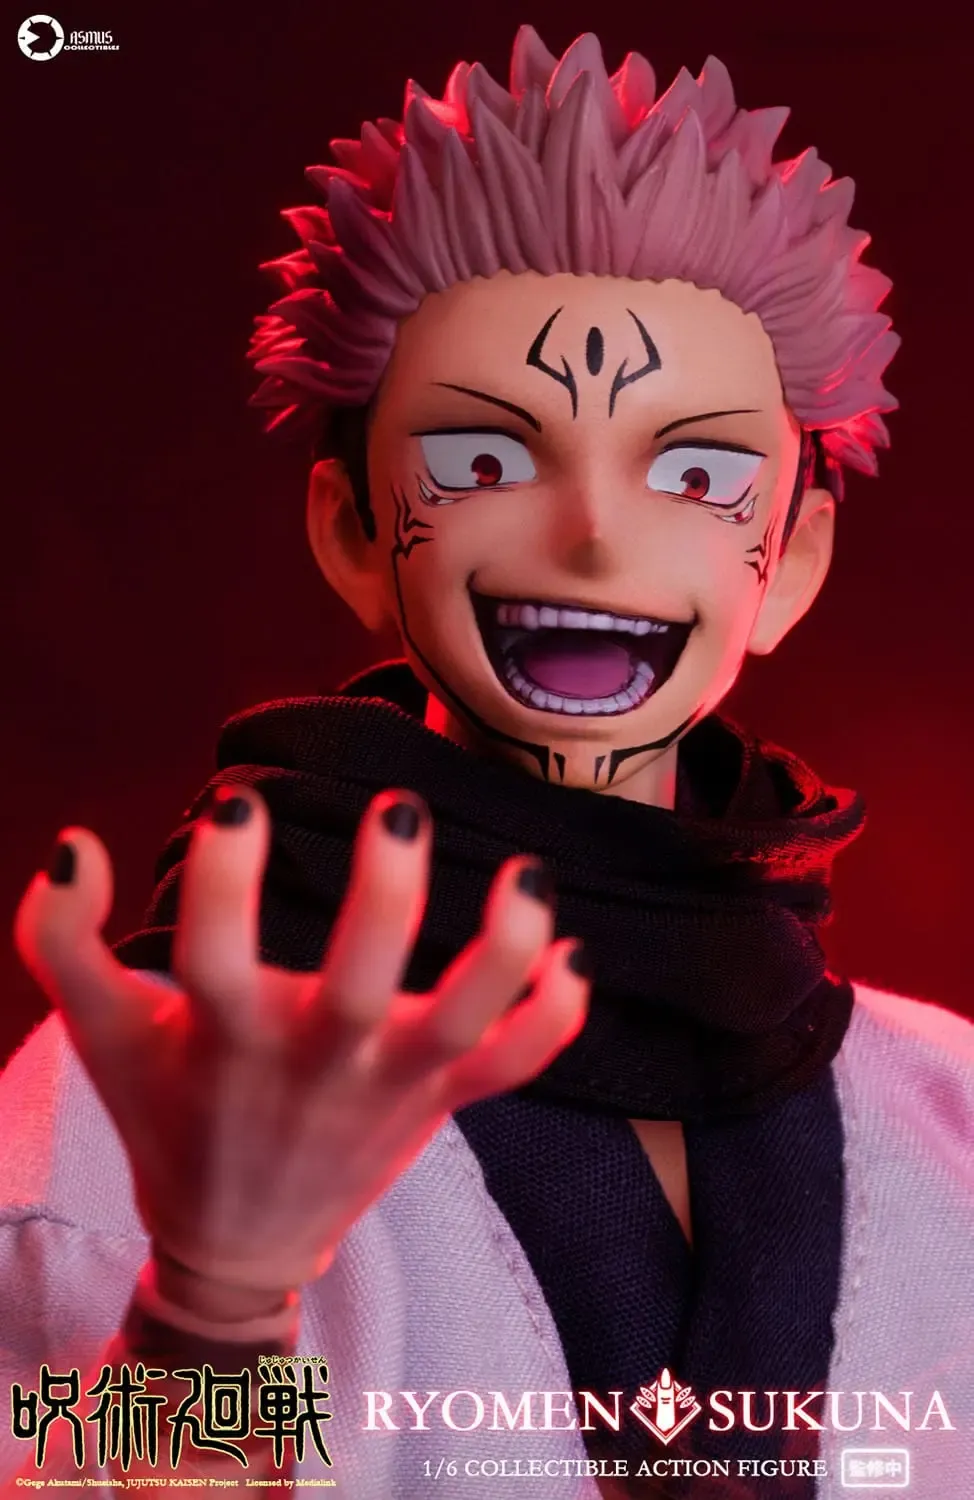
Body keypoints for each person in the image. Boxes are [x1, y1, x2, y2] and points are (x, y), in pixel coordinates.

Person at [2, 25, 972, 1500]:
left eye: (696, 472)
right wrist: (211, 1307)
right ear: (351, 533)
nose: (591, 532)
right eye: (481, 459)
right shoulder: (162, 1089)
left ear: (790, 561)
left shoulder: (943, 1112)